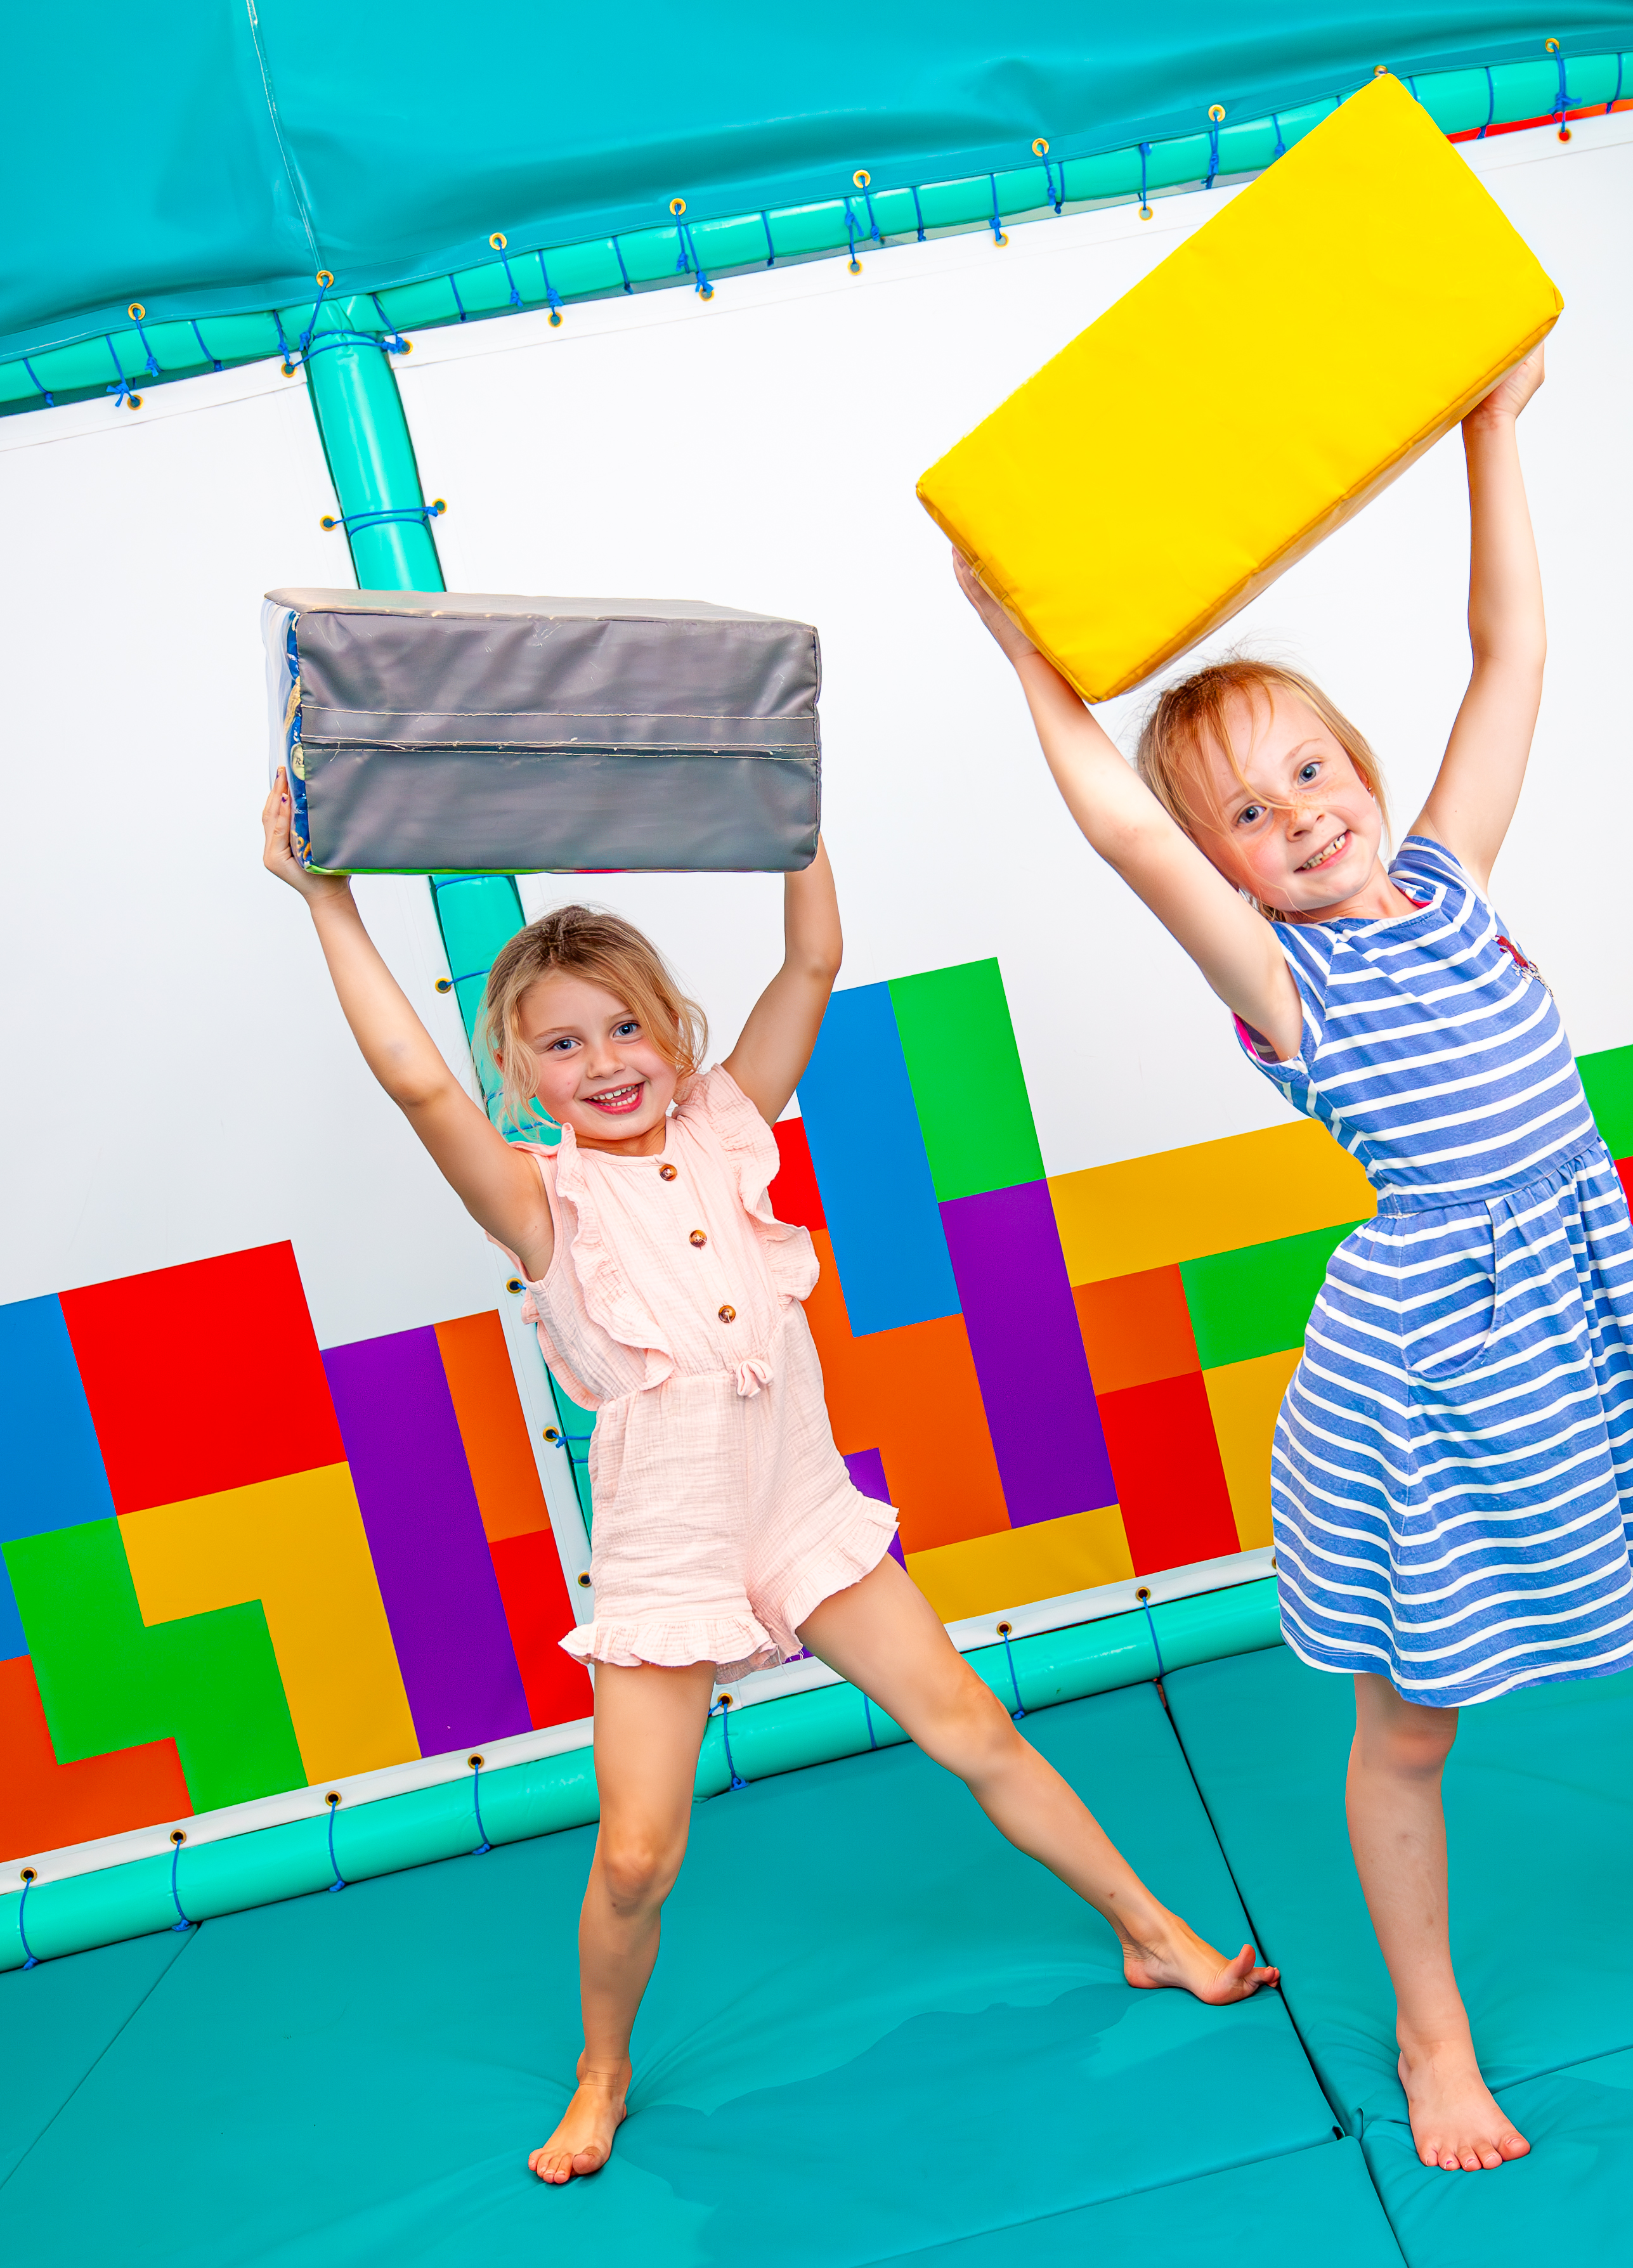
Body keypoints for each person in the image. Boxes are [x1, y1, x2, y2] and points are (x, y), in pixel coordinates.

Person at [956, 344, 1633, 2175]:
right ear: (1230, 871)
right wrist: (1020, 647)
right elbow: (1121, 822)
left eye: (1312, 770)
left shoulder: (1447, 886)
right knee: (1417, 1718)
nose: (1299, 814)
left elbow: (1511, 658)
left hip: (1592, 1307)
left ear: (1361, 770)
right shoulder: (1293, 985)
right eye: (1251, 815)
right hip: (1437, 1366)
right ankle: (1433, 2037)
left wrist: (1485, 436)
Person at [260, 787, 1277, 2185]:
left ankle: (1155, 1935)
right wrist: (326, 897)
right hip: (670, 1552)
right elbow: (414, 1079)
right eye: (564, 1044)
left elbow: (810, 966)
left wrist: (795, 823)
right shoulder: (541, 1201)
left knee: (974, 1726)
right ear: (526, 1072)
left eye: (626, 1027)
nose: (604, 1062)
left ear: (671, 1035)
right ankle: (599, 2070)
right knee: (635, 1859)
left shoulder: (732, 1122)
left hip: (799, 1507)